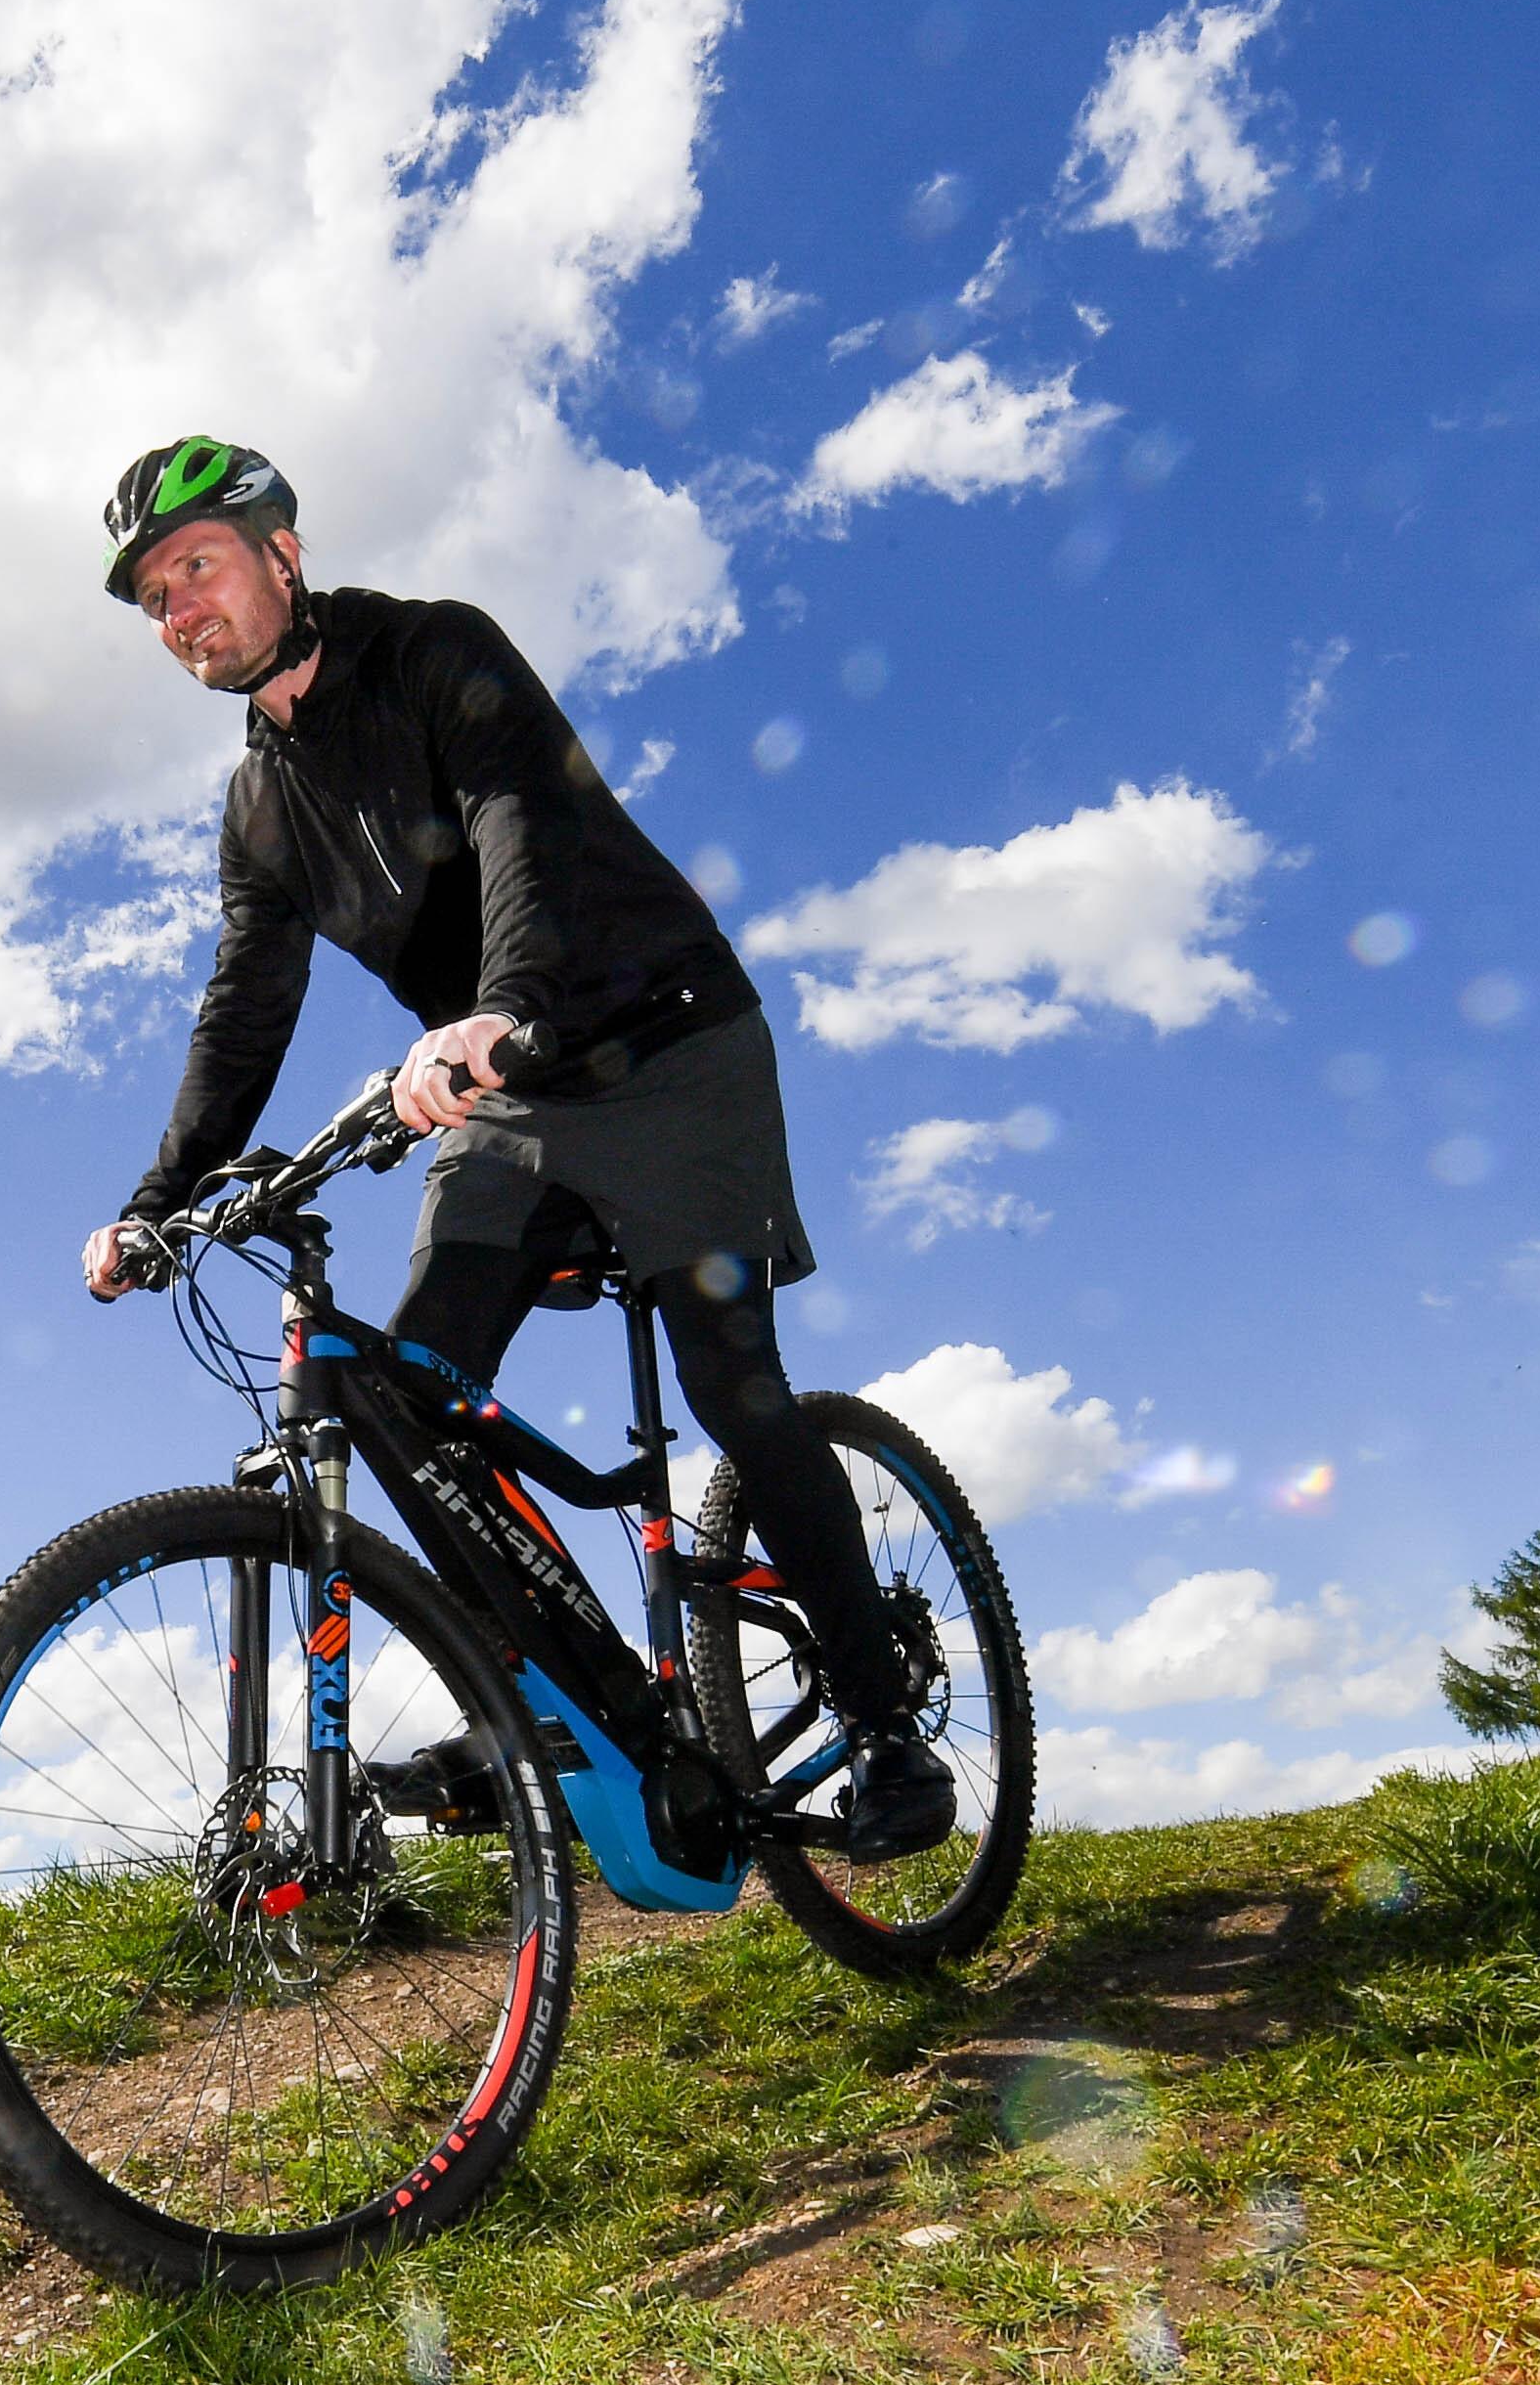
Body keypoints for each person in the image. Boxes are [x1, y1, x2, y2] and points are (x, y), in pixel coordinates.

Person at [75, 433, 950, 1858]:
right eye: (153, 596)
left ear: (280, 554)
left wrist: (496, 1007)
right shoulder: (258, 807)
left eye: (197, 566)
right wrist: (158, 1200)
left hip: (666, 1040)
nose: (179, 607)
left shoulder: (435, 652)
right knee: (410, 1403)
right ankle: (544, 1703)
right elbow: (246, 1005)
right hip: (514, 1098)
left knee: (735, 1391)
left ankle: (888, 1726)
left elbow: (516, 823)